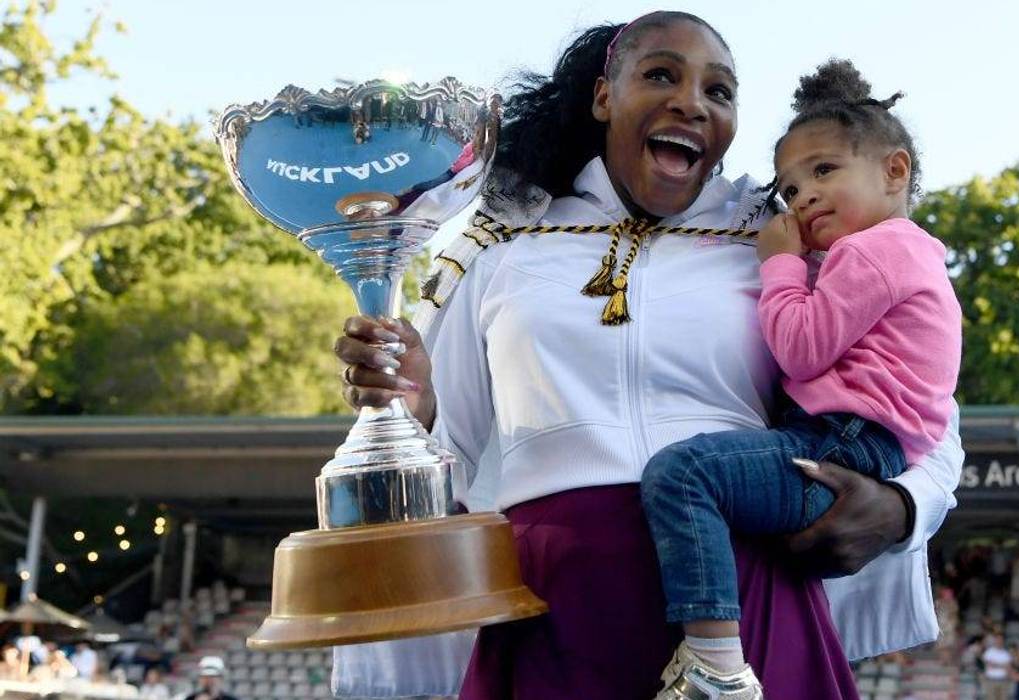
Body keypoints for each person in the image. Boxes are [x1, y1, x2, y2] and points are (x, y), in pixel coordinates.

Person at [333, 11, 964, 700]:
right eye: (660, 74)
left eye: (718, 92)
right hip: (554, 600)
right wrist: (415, 409)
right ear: (604, 96)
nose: (691, 101)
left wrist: (904, 506)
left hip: (743, 590)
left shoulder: (784, 239)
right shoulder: (502, 247)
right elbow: (451, 453)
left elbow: (920, 395)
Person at [638, 57, 960, 696]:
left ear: (894, 171)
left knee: (684, 474)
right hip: (858, 443)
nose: (803, 196)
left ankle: (714, 666)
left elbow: (801, 349)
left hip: (840, 444)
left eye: (824, 172)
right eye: (788, 189)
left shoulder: (872, 251)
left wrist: (781, 266)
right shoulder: (903, 251)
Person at [981, 634, 1014, 700]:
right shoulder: (989, 652)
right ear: (995, 640)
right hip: (991, 680)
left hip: (1003, 680)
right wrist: (1002, 665)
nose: (999, 641)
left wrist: (995, 664)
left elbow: (1008, 667)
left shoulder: (1006, 653)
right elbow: (988, 665)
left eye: (1001, 639)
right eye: (998, 639)